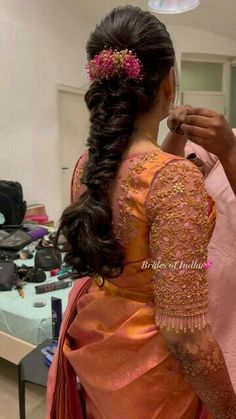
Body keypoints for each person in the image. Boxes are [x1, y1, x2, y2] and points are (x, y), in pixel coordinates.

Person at [46, 6, 236, 419]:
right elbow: (184, 333)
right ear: (169, 81)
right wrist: (227, 405)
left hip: (97, 343)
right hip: (151, 373)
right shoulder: (174, 179)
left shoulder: (86, 165)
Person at [162, 105, 236, 391]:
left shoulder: (228, 144)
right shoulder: (228, 137)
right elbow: (165, 171)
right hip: (201, 311)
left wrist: (229, 151)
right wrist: (177, 133)